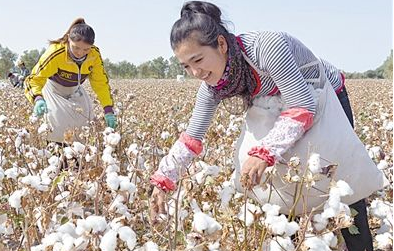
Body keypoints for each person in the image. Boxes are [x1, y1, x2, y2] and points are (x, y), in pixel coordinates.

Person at [149, 2, 386, 250]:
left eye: (198, 59)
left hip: (325, 97)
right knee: (284, 187)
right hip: (282, 105)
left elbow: (303, 104)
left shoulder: (266, 47)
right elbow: (191, 139)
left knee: (344, 184)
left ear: (221, 44)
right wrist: (163, 182)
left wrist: (264, 152)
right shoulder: (211, 88)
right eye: (186, 66)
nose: (195, 72)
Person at [24, 18, 117, 143]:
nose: (80, 53)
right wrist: (38, 99)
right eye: (76, 48)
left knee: (85, 122)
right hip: (53, 89)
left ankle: (79, 157)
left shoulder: (94, 55)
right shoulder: (56, 52)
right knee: (56, 123)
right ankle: (56, 153)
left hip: (75, 88)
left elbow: (100, 83)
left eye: (86, 49)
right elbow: (34, 79)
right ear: (68, 39)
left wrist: (108, 109)